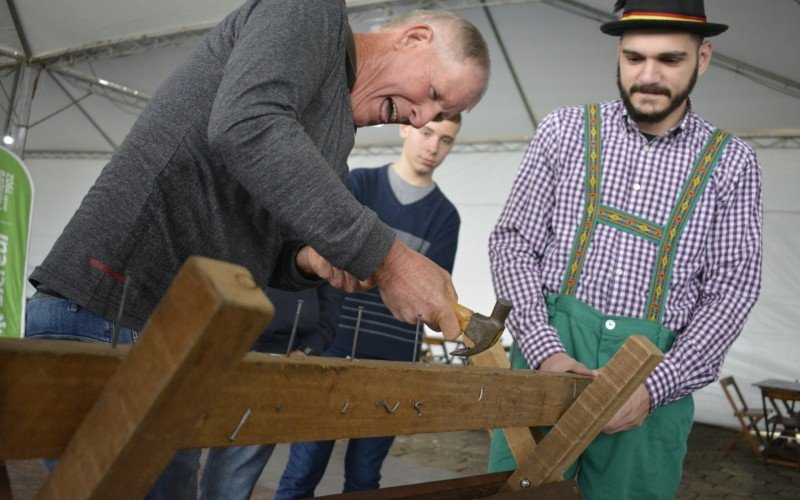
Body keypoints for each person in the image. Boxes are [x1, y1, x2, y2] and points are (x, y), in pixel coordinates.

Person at [24, 0, 490, 497]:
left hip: (178, 339)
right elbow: (246, 123)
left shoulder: (335, 139)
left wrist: (309, 259)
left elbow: (274, 254)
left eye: (442, 115)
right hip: (112, 310)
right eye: (433, 94)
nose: (422, 119)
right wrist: (389, 256)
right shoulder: (311, 13)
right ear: (414, 38)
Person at [487, 1, 762, 499]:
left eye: (670, 60)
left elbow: (731, 293)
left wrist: (654, 388)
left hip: (652, 391)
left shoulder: (731, 164)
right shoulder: (564, 131)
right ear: (618, 52)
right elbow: (513, 243)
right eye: (634, 58)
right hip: (544, 367)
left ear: (703, 59)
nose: (648, 76)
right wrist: (544, 349)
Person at [276, 114, 463, 498]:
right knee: (302, 469)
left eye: (446, 140)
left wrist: (370, 266)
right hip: (334, 348)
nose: (433, 147)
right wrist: (396, 274)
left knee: (364, 478)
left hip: (395, 362)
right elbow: (327, 262)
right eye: (427, 132)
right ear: (406, 126)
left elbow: (429, 298)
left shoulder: (446, 216)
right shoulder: (359, 183)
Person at [199, 286, 339, 500]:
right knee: (173, 461)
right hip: (210, 339)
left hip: (277, 355)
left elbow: (330, 306)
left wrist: (308, 348)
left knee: (235, 477)